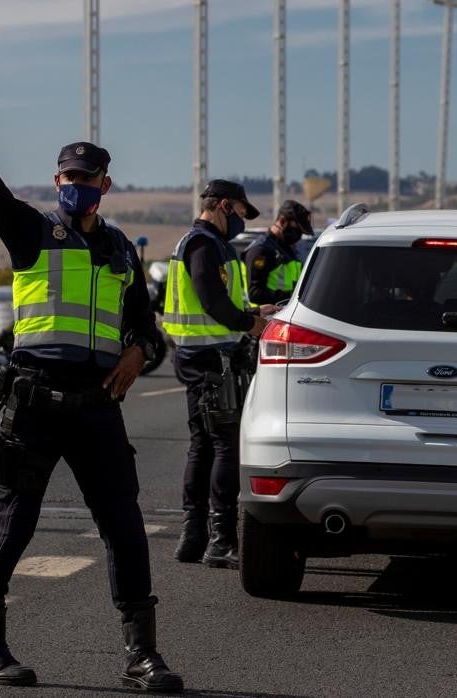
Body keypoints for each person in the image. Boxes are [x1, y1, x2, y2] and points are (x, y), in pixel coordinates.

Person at [0, 61, 181, 693]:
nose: (75, 184)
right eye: (66, 175)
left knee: (124, 525)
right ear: (57, 179)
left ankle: (142, 657)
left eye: (86, 177)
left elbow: (145, 326)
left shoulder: (119, 250)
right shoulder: (29, 229)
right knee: (15, 520)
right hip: (32, 402)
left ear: (104, 183)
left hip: (96, 407)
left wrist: (139, 353)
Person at [165, 180, 277, 568]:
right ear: (225, 206)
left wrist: (253, 313)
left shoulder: (207, 243)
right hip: (211, 358)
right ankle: (221, 539)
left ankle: (193, 537)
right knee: (225, 444)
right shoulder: (202, 244)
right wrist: (250, 325)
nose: (242, 223)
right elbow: (210, 298)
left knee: (204, 444)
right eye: (242, 214)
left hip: (201, 354)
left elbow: (219, 298)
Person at [243, 200, 311, 306]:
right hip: (266, 318)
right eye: (296, 230)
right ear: (282, 221)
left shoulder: (288, 250)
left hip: (286, 314)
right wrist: (289, 297)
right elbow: (255, 294)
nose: (298, 236)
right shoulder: (261, 250)